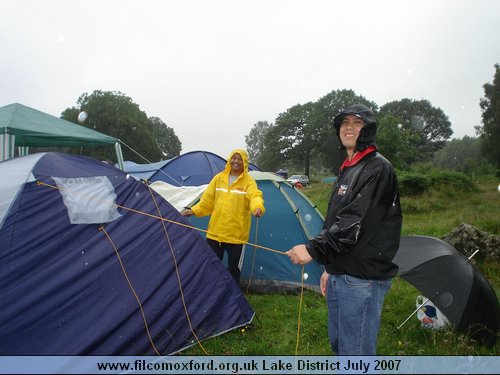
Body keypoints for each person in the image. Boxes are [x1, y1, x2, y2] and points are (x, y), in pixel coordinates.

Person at [286, 104, 402, 355]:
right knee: (341, 347)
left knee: (355, 354)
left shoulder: (376, 168)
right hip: (342, 273)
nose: (349, 127)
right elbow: (335, 220)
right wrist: (330, 267)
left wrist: (313, 249)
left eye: (357, 122)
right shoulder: (349, 168)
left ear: (368, 129)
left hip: (362, 279)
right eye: (344, 122)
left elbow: (354, 223)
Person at [182, 149, 265, 285]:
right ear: (229, 160)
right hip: (215, 234)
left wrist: (257, 207)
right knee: (211, 267)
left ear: (244, 162)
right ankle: (212, 293)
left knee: (233, 270)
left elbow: (255, 195)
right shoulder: (218, 178)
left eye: (239, 159)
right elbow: (207, 201)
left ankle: (233, 299)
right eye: (234, 158)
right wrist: (194, 210)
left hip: (236, 236)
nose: (236, 161)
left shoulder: (248, 182)